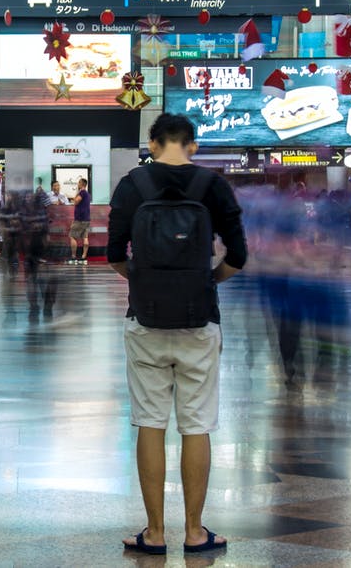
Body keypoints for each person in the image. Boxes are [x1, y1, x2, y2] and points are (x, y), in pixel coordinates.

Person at [107, 114, 246, 555]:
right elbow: (238, 256)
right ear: (193, 145)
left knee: (150, 422)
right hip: (200, 321)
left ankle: (154, 533)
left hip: (145, 321)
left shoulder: (133, 185)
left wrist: (146, 283)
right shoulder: (213, 185)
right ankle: (194, 531)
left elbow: (113, 255)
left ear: (152, 143)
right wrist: (204, 282)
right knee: (197, 424)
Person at [69, 178, 92, 265]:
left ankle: (73, 256)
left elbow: (76, 201)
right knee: (85, 237)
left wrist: (74, 198)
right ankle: (83, 257)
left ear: (81, 184)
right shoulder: (87, 194)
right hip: (86, 219)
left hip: (79, 219)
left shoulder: (82, 192)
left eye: (78, 183)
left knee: (72, 236)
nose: (77, 184)